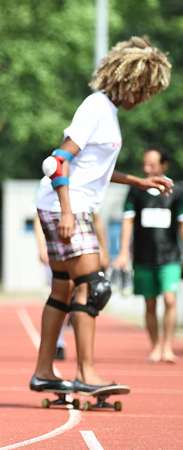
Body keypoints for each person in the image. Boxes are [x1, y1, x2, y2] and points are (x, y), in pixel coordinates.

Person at [30, 36, 171, 396]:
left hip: (61, 203)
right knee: (94, 287)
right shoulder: (97, 107)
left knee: (63, 288)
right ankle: (86, 374)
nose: (143, 99)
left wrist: (138, 180)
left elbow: (94, 167)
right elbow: (58, 161)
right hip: (67, 205)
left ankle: (44, 372)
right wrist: (67, 212)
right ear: (126, 80)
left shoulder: (107, 111)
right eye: (142, 90)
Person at [113, 145, 182, 363]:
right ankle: (155, 347)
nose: (147, 169)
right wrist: (123, 252)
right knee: (149, 303)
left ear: (164, 165)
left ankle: (168, 347)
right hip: (143, 257)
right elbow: (127, 222)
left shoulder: (177, 191)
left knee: (170, 299)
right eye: (144, 164)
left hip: (170, 257)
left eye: (152, 165)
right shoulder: (136, 191)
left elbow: (182, 225)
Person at [33, 211, 110, 360]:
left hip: (82, 234)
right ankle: (60, 345)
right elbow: (38, 218)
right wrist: (41, 246)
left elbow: (97, 219)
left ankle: (83, 361)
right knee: (63, 294)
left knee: (85, 292)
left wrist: (104, 249)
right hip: (63, 230)